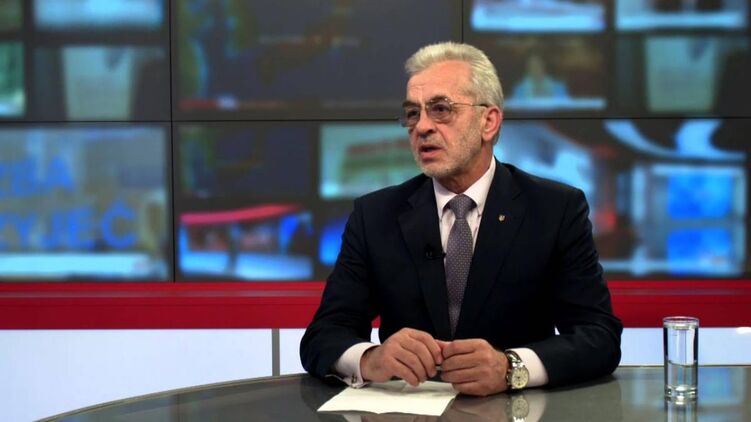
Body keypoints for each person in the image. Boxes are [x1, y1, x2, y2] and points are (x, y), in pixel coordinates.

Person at [300, 42, 622, 396]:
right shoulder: (375, 215)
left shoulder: (554, 209)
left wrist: (511, 367)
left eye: (441, 109)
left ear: (489, 121)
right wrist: (370, 359)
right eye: (412, 113)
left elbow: (599, 336)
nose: (422, 127)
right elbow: (323, 336)